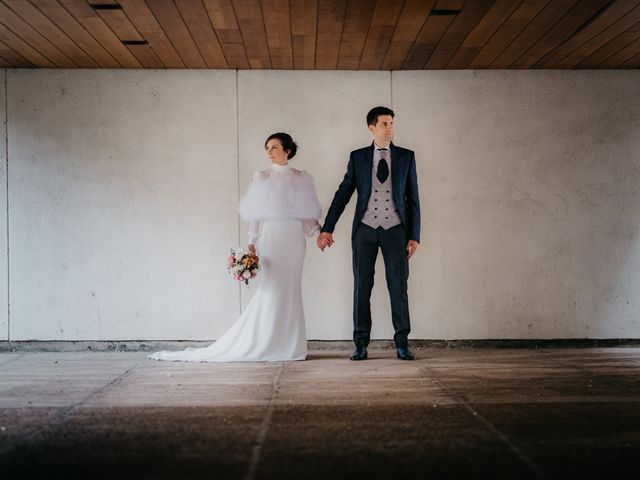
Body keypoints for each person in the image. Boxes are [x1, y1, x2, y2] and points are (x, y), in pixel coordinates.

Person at [149, 133, 322, 362]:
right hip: (271, 238)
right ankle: (264, 342)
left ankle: (290, 346)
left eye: (275, 147)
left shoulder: (301, 178)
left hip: (293, 240)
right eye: (267, 148)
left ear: (287, 151)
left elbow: (307, 211)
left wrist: (320, 234)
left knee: (291, 290)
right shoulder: (263, 177)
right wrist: (251, 242)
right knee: (272, 289)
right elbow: (256, 214)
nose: (269, 151)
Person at [317, 107, 420, 361]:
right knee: (362, 287)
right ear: (371, 127)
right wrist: (327, 227)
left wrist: (414, 235)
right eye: (384, 123)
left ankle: (402, 343)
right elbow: (343, 194)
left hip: (396, 230)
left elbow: (413, 198)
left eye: (392, 123)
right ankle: (360, 344)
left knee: (398, 288)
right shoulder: (359, 157)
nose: (390, 127)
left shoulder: (406, 157)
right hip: (364, 230)